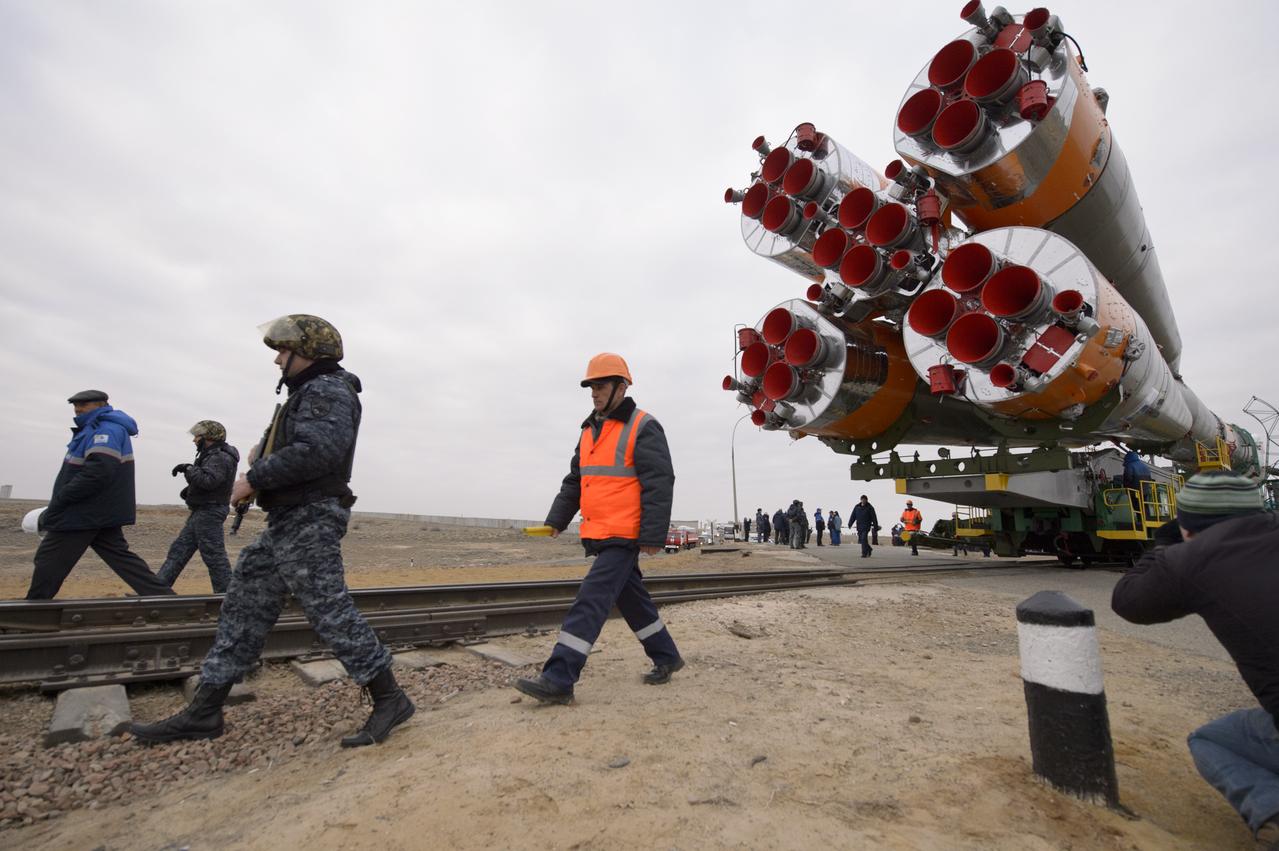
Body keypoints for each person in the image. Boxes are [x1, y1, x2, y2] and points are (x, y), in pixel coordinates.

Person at [131, 315, 414, 748]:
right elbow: (301, 449)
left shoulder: (328, 389)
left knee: (329, 610)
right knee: (244, 604)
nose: (278, 359)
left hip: (311, 518)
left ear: (309, 353)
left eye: (284, 351)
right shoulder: (306, 393)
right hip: (289, 519)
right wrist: (263, 466)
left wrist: (253, 478)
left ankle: (390, 698)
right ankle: (205, 711)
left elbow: (316, 452)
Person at [1111, 471, 1279, 849]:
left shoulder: (1191, 558)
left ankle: (1272, 812)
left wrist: (1166, 547)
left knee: (1212, 740)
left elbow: (1127, 602)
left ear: (1189, 525)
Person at [514, 353, 683, 705]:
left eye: (601, 385)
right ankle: (666, 656)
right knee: (632, 601)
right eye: (591, 386)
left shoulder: (643, 426)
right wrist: (555, 521)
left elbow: (659, 482)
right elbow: (577, 480)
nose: (594, 393)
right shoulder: (590, 429)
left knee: (590, 601)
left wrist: (652, 536)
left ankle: (560, 676)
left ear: (621, 387)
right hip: (600, 531)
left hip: (624, 534)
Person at [26, 390, 174, 600]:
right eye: (75, 406)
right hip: (99, 510)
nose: (78, 410)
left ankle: (32, 610)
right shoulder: (92, 429)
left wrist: (62, 498)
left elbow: (98, 472)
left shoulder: (106, 430)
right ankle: (167, 600)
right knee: (122, 559)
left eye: (84, 405)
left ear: (102, 405)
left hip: (85, 510)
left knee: (50, 558)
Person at [156, 421, 240, 593]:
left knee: (214, 557)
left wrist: (189, 469)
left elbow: (209, 481)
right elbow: (209, 481)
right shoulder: (212, 455)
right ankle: (156, 591)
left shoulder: (219, 456)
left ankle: (227, 597)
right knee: (178, 552)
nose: (194, 440)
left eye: (197, 436)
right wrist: (190, 490)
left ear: (208, 437)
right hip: (202, 510)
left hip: (209, 511)